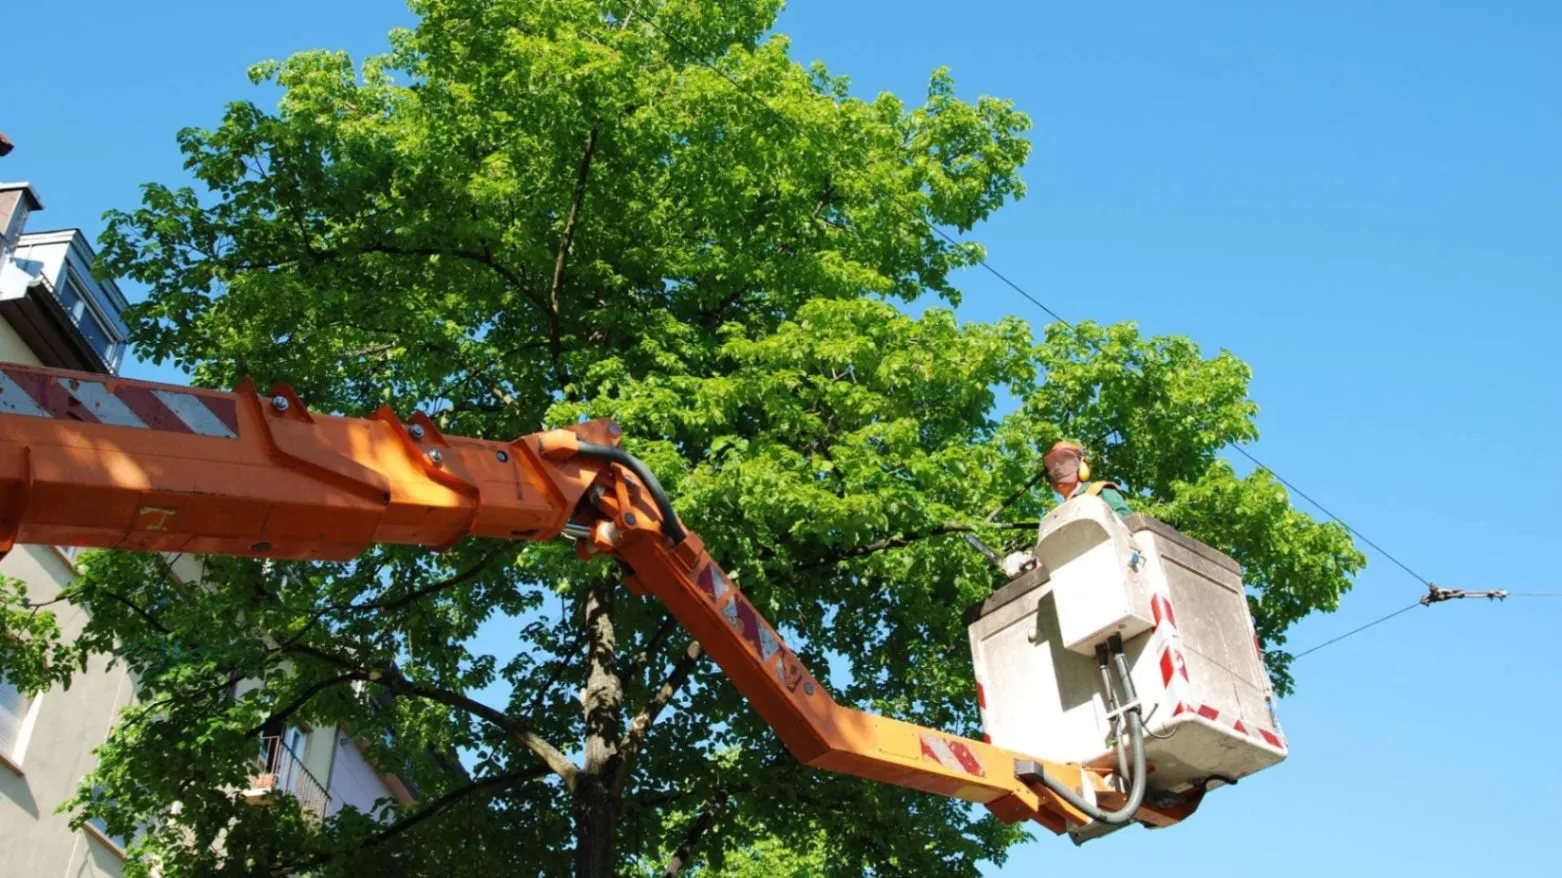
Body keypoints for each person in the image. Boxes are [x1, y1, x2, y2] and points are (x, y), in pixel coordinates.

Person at [1043, 440, 1131, 519]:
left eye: (1063, 462)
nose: (1057, 469)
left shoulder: (1099, 490)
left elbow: (1126, 517)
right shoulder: (1059, 515)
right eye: (1052, 467)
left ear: (1081, 464)